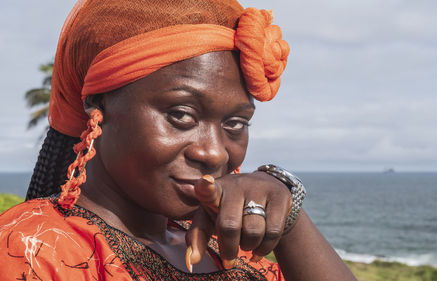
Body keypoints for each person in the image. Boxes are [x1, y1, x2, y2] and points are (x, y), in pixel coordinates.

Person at [0, 0, 357, 280]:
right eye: (181, 115)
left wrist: (290, 218)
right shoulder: (33, 249)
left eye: (235, 123)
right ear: (99, 105)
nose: (214, 153)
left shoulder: (230, 248)